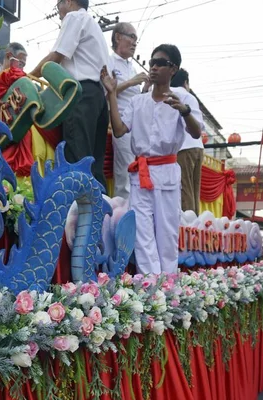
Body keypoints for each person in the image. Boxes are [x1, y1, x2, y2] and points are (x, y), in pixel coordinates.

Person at [101, 44, 203, 275]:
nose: (154, 67)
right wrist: (112, 94)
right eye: (151, 62)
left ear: (173, 69)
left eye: (160, 63)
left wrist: (185, 111)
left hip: (166, 171)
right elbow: (118, 130)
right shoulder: (139, 101)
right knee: (142, 233)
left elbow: (196, 133)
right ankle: (150, 288)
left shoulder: (184, 98)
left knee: (166, 233)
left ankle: (167, 285)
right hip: (140, 173)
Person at [30, 0, 109, 189]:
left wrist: (28, 76)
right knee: (93, 166)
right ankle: (98, 214)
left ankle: (78, 216)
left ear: (68, 2)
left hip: (79, 95)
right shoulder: (94, 27)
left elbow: (55, 58)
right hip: (98, 97)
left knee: (76, 160)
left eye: (58, 4)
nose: (58, 10)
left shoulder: (74, 17)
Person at [108, 22, 149, 199]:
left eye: (136, 40)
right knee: (125, 171)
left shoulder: (130, 67)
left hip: (137, 124)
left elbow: (135, 98)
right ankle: (122, 215)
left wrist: (146, 88)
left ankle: (136, 210)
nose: (134, 43)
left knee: (138, 170)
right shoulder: (108, 61)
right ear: (118, 37)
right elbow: (106, 92)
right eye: (131, 37)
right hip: (121, 123)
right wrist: (131, 82)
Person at [171, 68, 204, 215]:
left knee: (185, 190)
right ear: (186, 82)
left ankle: (188, 225)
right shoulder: (190, 96)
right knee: (194, 190)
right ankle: (195, 224)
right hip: (198, 146)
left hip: (183, 146)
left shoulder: (169, 93)